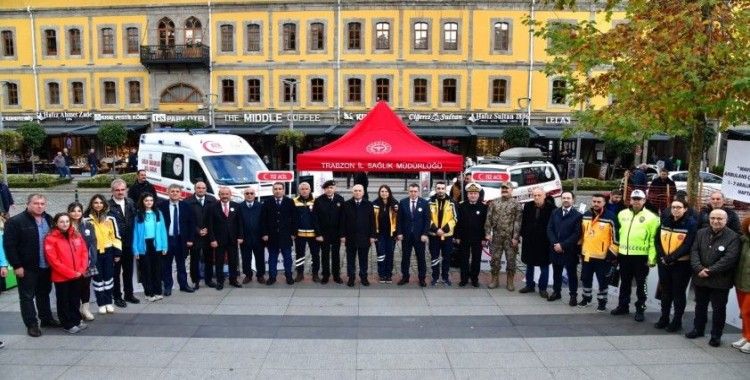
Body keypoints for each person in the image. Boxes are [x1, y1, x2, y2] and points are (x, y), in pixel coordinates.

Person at [3, 194, 59, 337]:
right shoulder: (15, 221)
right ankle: (31, 324)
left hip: (46, 265)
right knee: (27, 297)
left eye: (42, 203)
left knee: (44, 293)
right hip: (27, 267)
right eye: (36, 203)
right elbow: (9, 246)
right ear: (28, 204)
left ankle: (46, 319)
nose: (39, 206)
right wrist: (16, 265)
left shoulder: (49, 219)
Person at [685, 209, 740, 347]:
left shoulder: (733, 237)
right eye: (713, 218)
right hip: (701, 278)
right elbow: (694, 251)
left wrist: (709, 270)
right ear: (709, 219)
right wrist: (698, 268)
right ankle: (698, 329)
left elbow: (729, 259)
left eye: (719, 219)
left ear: (726, 220)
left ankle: (716, 335)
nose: (716, 221)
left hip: (720, 280)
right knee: (700, 306)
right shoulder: (700, 233)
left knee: (718, 309)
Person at [611, 189, 660, 322]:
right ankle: (623, 306)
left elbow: (653, 240)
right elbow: (617, 234)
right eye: (634, 199)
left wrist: (651, 258)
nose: (636, 201)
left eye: (639, 199)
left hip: (641, 257)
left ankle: (640, 309)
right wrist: (615, 253)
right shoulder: (622, 214)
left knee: (641, 285)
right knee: (624, 283)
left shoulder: (652, 218)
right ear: (630, 200)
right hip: (624, 255)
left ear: (644, 200)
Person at [654, 199, 697, 332]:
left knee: (678, 293)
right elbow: (657, 240)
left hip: (681, 264)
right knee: (665, 292)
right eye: (673, 207)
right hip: (664, 263)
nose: (675, 210)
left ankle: (677, 321)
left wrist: (672, 257)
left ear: (685, 209)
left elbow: (688, 245)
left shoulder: (691, 223)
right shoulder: (665, 220)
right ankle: (664, 318)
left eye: (679, 207)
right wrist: (663, 256)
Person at [44, 213, 90, 334]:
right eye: (61, 222)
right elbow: (53, 260)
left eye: (67, 221)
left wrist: (80, 270)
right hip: (62, 277)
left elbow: (84, 252)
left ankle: (76, 319)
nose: (65, 224)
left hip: (77, 274)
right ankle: (67, 323)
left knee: (75, 299)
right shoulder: (50, 238)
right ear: (56, 223)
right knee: (63, 300)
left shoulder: (76, 235)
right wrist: (71, 273)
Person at [580, 193, 618, 311]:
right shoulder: (586, 215)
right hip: (587, 255)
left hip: (603, 256)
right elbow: (581, 235)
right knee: (586, 278)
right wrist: (580, 250)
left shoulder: (611, 217)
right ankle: (586, 298)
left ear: (604, 203)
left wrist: (611, 254)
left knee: (603, 280)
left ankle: (602, 301)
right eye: (594, 201)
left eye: (599, 202)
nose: (596, 204)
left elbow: (616, 238)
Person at [86, 194, 122, 315]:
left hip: (108, 252)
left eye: (101, 203)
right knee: (97, 278)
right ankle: (101, 303)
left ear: (104, 204)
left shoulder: (110, 218)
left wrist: (117, 252)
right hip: (94, 253)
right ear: (92, 204)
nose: (98, 205)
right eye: (96, 202)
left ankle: (108, 302)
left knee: (109, 277)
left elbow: (116, 236)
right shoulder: (86, 219)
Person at [484, 182, 523, 290]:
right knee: (495, 260)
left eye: (507, 189)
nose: (504, 190)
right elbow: (489, 218)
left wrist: (515, 237)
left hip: (510, 238)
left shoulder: (516, 204)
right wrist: (487, 233)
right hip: (496, 236)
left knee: (511, 261)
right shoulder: (494, 202)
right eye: (503, 189)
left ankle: (510, 282)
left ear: (511, 190)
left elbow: (518, 222)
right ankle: (494, 280)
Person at [546, 192, 583, 305]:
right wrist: (555, 244)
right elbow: (549, 229)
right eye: (564, 198)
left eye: (568, 198)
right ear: (561, 199)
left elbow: (576, 234)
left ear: (573, 200)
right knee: (556, 273)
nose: (566, 200)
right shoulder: (555, 212)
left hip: (569, 250)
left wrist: (563, 245)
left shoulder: (577, 215)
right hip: (555, 249)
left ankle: (573, 295)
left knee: (572, 274)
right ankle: (557, 292)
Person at [158, 184, 195, 295]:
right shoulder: (161, 206)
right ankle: (168, 286)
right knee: (166, 264)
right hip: (167, 239)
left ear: (181, 193)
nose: (174, 193)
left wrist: (190, 239)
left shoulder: (186, 206)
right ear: (168, 192)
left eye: (177, 191)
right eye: (172, 191)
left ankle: (183, 285)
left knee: (181, 264)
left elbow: (191, 224)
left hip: (181, 239)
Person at [519, 188, 555, 298]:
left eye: (539, 195)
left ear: (544, 195)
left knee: (544, 265)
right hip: (529, 240)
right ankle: (529, 285)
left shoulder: (552, 208)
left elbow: (553, 226)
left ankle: (542, 288)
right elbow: (523, 222)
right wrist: (523, 235)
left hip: (544, 242)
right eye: (534, 195)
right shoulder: (528, 206)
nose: (537, 197)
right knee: (529, 263)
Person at [108, 179, 139, 308]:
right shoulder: (107, 205)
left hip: (128, 243)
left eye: (122, 189)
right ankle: (117, 296)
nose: (120, 192)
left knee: (128, 270)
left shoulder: (130, 202)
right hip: (115, 245)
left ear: (126, 190)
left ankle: (129, 294)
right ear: (112, 191)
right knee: (115, 272)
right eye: (117, 190)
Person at [206, 187, 244, 290]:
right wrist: (212, 239)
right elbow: (210, 225)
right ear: (219, 195)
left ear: (230, 195)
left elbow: (240, 223)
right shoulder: (213, 207)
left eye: (227, 194)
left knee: (233, 260)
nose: (225, 196)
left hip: (233, 239)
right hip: (218, 240)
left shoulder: (236, 206)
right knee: (219, 261)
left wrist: (240, 236)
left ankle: (233, 280)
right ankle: (220, 281)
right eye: (222, 194)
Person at [132, 193, 168, 302]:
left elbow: (162, 230)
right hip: (143, 245)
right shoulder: (138, 215)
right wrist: (136, 249)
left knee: (156, 269)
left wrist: (164, 245)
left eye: (151, 200)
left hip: (156, 244)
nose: (149, 202)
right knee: (146, 270)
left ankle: (157, 291)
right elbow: (135, 233)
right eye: (146, 200)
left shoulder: (158, 213)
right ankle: (149, 293)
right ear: (142, 202)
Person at [340, 184, 376, 287]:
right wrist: (342, 235)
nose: (357, 192)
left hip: (364, 237)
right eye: (355, 190)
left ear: (363, 192)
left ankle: (363, 277)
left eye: (360, 190)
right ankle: (351, 277)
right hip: (350, 237)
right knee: (350, 259)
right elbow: (342, 221)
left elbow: (372, 222)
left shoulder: (369, 204)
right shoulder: (346, 204)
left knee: (364, 259)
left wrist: (372, 236)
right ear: (352, 192)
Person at [262, 182, 297, 286]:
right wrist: (265, 233)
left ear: (283, 190)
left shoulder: (289, 202)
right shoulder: (267, 202)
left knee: (287, 257)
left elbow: (294, 218)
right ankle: (272, 277)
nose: (278, 191)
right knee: (272, 257)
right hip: (271, 236)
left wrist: (293, 233)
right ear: (273, 190)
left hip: (286, 235)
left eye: (280, 189)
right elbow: (263, 220)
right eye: (275, 189)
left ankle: (289, 276)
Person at [68, 202, 97, 322]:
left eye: (79, 211)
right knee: (74, 287)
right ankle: (75, 311)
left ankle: (85, 309)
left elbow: (93, 243)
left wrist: (93, 260)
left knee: (85, 286)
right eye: (73, 211)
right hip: (72, 263)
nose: (76, 213)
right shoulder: (65, 225)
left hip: (87, 261)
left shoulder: (88, 225)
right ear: (69, 212)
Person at [454, 183, 487, 287]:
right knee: (464, 259)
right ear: (467, 195)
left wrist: (484, 237)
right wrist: (457, 236)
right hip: (464, 237)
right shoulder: (461, 206)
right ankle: (463, 279)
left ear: (478, 195)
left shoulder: (483, 207)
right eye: (471, 193)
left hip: (478, 238)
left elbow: (486, 224)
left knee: (476, 259)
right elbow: (457, 222)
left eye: (475, 193)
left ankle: (474, 279)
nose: (473, 195)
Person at [397, 183, 430, 287]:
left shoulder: (424, 203)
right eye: (411, 191)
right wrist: (399, 233)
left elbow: (427, 220)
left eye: (415, 191)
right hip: (406, 236)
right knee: (405, 258)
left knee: (421, 258)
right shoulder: (403, 202)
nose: (413, 193)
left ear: (418, 192)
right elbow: (399, 220)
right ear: (408, 192)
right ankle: (405, 277)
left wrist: (425, 234)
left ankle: (422, 278)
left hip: (419, 236)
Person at [185, 181, 217, 288]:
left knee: (209, 259)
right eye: (198, 188)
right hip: (194, 236)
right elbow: (187, 220)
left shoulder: (212, 200)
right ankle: (195, 280)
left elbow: (215, 218)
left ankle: (208, 280)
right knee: (194, 259)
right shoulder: (188, 201)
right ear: (195, 189)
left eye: (203, 188)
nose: (201, 190)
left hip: (209, 235)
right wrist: (198, 230)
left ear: (206, 189)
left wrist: (208, 229)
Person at [313, 180, 345, 284]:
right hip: (324, 233)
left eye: (331, 187)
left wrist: (342, 234)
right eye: (327, 188)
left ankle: (336, 276)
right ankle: (325, 275)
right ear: (324, 189)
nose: (329, 190)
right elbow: (315, 219)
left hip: (336, 233)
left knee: (336, 255)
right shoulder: (318, 200)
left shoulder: (340, 199)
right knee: (325, 255)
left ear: (334, 189)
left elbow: (343, 219)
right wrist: (318, 234)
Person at [427, 181, 458, 286]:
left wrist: (443, 230)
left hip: (447, 235)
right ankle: (435, 277)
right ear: (435, 189)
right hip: (434, 235)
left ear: (446, 189)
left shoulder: (452, 202)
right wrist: (436, 230)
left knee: (446, 257)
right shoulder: (430, 202)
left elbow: (455, 218)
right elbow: (427, 218)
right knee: (434, 257)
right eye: (438, 188)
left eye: (442, 188)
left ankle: (445, 277)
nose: (440, 190)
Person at [293, 182, 319, 282]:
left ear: (310, 189)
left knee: (315, 254)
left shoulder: (316, 201)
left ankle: (315, 274)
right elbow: (292, 218)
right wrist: (293, 233)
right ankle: (300, 274)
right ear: (299, 190)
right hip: (299, 234)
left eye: (306, 189)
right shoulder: (294, 201)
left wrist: (319, 233)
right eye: (302, 189)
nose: (304, 190)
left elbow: (319, 218)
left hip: (313, 234)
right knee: (299, 255)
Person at [372, 184, 398, 283]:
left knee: (390, 254)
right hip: (379, 234)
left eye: (386, 191)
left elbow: (399, 220)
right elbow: (371, 221)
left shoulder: (395, 204)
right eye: (382, 191)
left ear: (389, 193)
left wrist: (397, 234)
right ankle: (382, 274)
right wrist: (373, 235)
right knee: (381, 254)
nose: (384, 193)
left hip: (391, 234)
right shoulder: (374, 204)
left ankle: (388, 274)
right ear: (379, 193)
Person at [239, 187, 264, 284]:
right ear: (244, 195)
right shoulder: (240, 207)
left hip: (258, 237)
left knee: (260, 257)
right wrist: (240, 236)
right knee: (246, 257)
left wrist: (264, 234)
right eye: (247, 193)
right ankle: (248, 275)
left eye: (251, 193)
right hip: (245, 237)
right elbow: (238, 223)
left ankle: (260, 275)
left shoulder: (260, 206)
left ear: (255, 195)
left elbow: (263, 222)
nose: (249, 195)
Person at [733, 217, 750, 353]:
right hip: (740, 283)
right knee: (743, 313)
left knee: (747, 311)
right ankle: (745, 336)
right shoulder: (743, 241)